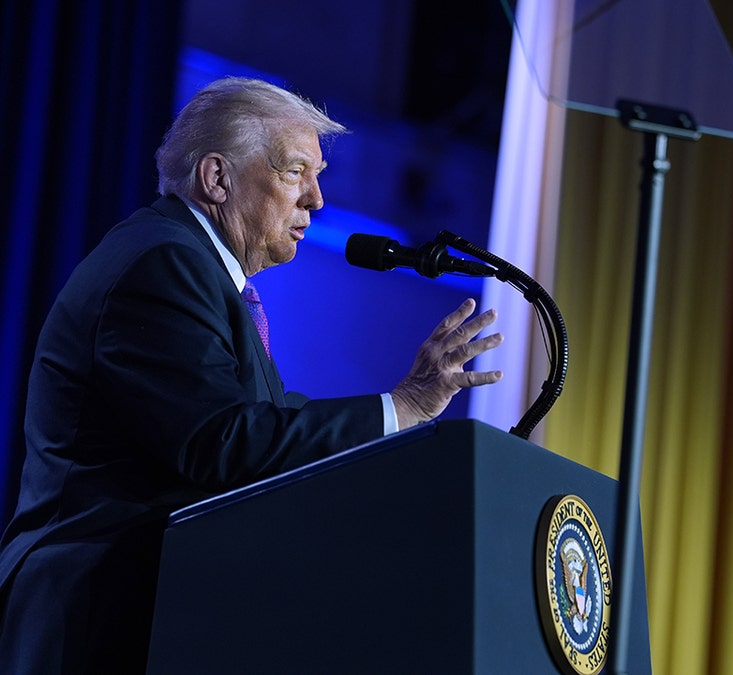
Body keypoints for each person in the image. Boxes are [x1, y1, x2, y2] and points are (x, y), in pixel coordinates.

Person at [0, 76, 504, 672]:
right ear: (217, 178)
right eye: (295, 172)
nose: (316, 200)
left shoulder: (196, 271)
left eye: (318, 176)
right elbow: (224, 439)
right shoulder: (164, 262)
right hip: (94, 616)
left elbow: (268, 419)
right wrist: (403, 408)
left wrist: (401, 412)